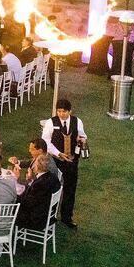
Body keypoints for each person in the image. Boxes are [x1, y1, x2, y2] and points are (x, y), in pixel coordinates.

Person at [42, 98, 86, 228]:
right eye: (59, 111)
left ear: (70, 111)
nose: (61, 114)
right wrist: (58, 153)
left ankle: (67, 217)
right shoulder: (50, 123)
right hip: (56, 161)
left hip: (72, 161)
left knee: (70, 189)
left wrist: (81, 139)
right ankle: (49, 216)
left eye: (64, 111)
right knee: (53, 188)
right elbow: (46, 142)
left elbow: (83, 135)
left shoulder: (77, 121)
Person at [16, 154, 61, 231]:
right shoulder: (53, 177)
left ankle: (6, 232)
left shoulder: (39, 184)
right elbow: (36, 196)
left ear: (37, 167)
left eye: (34, 165)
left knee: (12, 208)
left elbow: (28, 202)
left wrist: (16, 196)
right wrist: (30, 180)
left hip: (37, 219)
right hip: (47, 213)